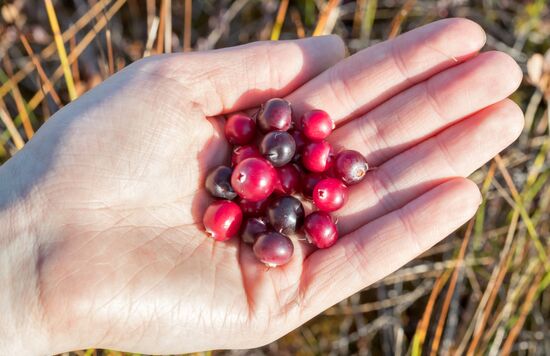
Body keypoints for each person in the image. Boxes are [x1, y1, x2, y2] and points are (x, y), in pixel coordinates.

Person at [0, 18, 523, 354]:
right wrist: (28, 255)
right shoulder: (262, 173)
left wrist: (27, 270)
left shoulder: (289, 175)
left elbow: (287, 181)